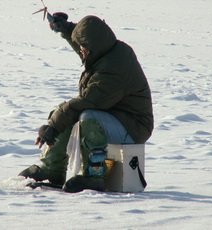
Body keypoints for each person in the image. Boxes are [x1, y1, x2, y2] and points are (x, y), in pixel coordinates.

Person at [19, 13, 154, 193]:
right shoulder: (108, 50)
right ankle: (52, 170)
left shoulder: (114, 69)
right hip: (116, 116)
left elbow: (89, 101)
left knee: (86, 116)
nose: (80, 50)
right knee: (68, 112)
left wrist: (53, 126)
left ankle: (94, 175)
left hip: (134, 127)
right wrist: (66, 28)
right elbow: (89, 43)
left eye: (83, 47)